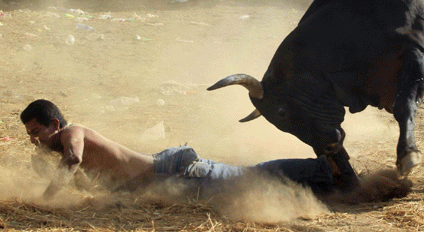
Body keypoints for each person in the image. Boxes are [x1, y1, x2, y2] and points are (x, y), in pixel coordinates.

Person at [20, 99, 335, 199]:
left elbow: (74, 159)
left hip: (172, 170)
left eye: (36, 132)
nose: (34, 139)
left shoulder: (73, 134)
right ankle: (323, 181)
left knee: (249, 177)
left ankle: (326, 169)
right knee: (248, 184)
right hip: (167, 179)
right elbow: (86, 178)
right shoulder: (62, 148)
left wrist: (45, 199)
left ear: (56, 125)